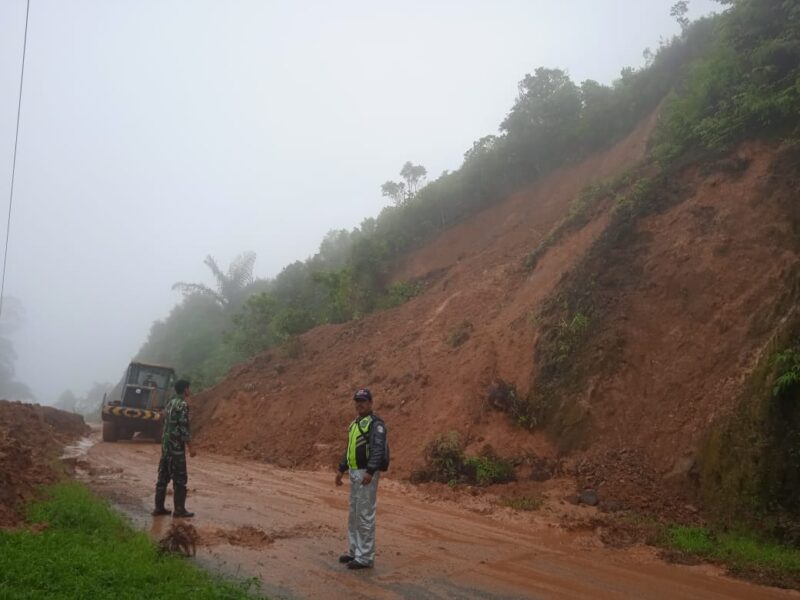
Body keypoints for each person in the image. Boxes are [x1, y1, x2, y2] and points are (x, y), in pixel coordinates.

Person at [335, 388, 389, 570]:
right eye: (357, 401)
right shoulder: (355, 424)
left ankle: (365, 557)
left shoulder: (375, 424)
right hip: (354, 472)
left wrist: (370, 471)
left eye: (363, 401)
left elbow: (378, 449)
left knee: (365, 514)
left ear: (370, 403)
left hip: (366, 473)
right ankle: (354, 551)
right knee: (354, 514)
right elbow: (349, 449)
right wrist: (341, 468)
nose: (359, 404)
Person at [152, 379, 196, 518]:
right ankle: (179, 510)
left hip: (165, 446)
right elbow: (183, 427)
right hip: (176, 447)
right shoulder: (182, 404)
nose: (189, 391)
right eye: (189, 388)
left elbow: (165, 422)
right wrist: (191, 447)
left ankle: (159, 508)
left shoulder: (170, 403)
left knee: (162, 477)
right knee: (180, 478)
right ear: (185, 390)